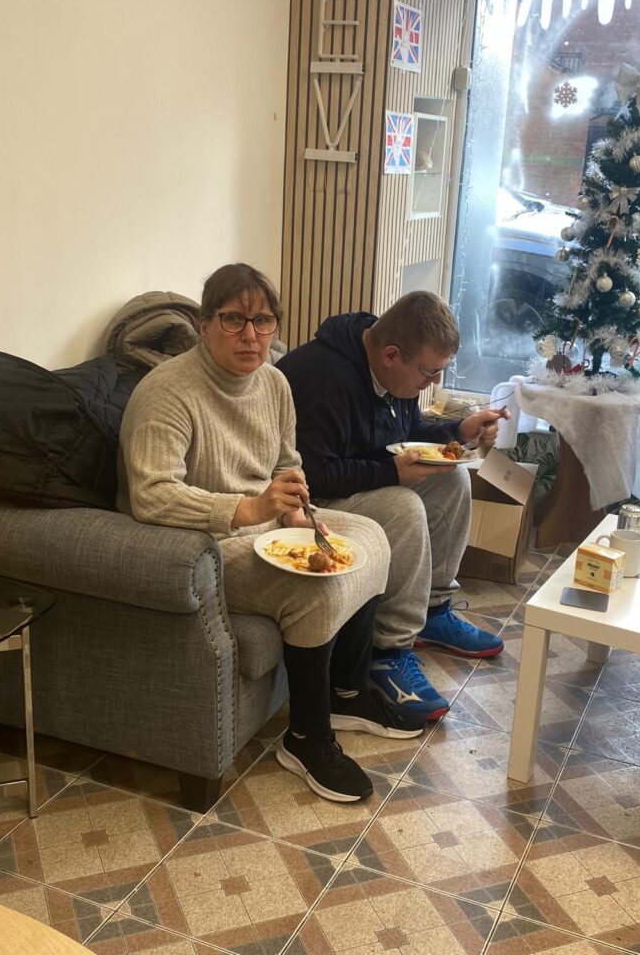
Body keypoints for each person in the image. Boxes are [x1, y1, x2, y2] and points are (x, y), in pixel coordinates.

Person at [117, 264, 425, 804]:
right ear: (203, 322)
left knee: (372, 538)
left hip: (265, 524)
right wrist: (250, 508)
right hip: (206, 545)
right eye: (233, 320)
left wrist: (295, 510)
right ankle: (306, 736)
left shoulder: (275, 383)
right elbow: (152, 496)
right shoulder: (167, 393)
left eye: (262, 321)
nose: (251, 336)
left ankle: (348, 693)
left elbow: (288, 463)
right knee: (313, 582)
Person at [277, 291, 510, 721]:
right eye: (429, 373)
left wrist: (458, 430)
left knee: (453, 478)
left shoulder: (392, 368)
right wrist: (393, 474)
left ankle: (434, 610)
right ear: (390, 355)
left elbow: (406, 428)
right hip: (306, 500)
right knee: (403, 506)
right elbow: (311, 473)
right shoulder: (321, 379)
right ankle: (389, 650)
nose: (433, 384)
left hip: (352, 478)